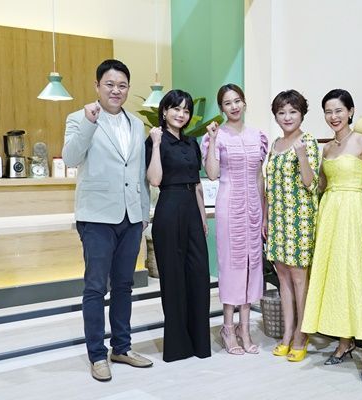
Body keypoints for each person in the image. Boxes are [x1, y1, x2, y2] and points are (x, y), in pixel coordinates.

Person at [62, 59, 153, 382]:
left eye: (122, 85)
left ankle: (122, 348)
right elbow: (71, 158)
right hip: (96, 217)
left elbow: (139, 173)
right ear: (97, 86)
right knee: (95, 288)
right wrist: (89, 123)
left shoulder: (136, 124)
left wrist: (143, 212)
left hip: (131, 217)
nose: (116, 90)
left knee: (125, 285)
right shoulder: (79, 118)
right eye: (110, 84)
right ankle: (97, 355)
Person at [301, 88, 362, 386]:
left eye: (339, 110)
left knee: (356, 276)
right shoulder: (327, 148)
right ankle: (344, 342)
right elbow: (320, 186)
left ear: (351, 111)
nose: (333, 116)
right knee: (336, 277)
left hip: (353, 212)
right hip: (330, 214)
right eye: (328, 111)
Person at [145, 89, 211, 362]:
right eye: (176, 108)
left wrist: (202, 217)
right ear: (164, 111)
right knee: (173, 278)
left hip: (192, 210)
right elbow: (155, 180)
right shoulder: (155, 139)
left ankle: (199, 343)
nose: (181, 114)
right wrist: (156, 144)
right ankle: (177, 346)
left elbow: (197, 184)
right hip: (169, 209)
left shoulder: (192, 142)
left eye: (186, 110)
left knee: (198, 274)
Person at [202, 84, 268, 355]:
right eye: (228, 103)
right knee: (232, 265)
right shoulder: (216, 136)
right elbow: (212, 174)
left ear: (244, 102)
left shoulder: (257, 136)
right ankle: (228, 328)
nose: (234, 106)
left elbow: (259, 177)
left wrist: (263, 214)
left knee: (253, 265)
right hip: (229, 205)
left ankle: (245, 329)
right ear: (221, 108)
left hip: (253, 207)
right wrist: (213, 140)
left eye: (237, 101)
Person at [265, 90, 320, 362]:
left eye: (293, 112)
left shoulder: (307, 141)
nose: (287, 117)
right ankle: (287, 332)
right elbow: (269, 185)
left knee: (300, 279)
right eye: (281, 112)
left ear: (302, 114)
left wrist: (301, 156)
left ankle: (301, 333)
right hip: (278, 219)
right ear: (276, 115)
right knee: (283, 277)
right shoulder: (275, 144)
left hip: (300, 219)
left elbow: (311, 183)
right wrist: (266, 218)